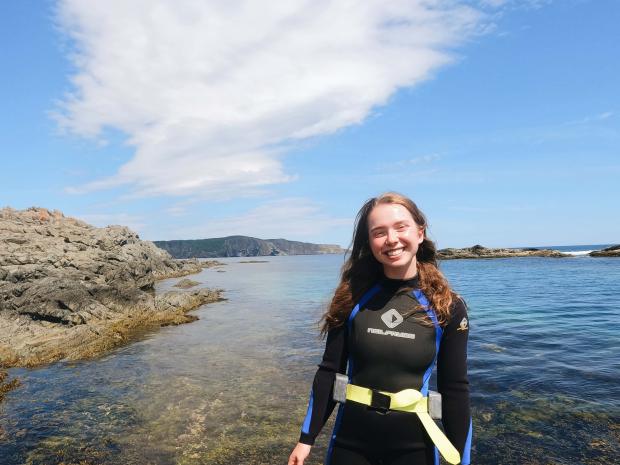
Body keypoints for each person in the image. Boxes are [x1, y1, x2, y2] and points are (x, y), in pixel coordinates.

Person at [288, 192, 472, 465]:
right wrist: (306, 439)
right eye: (379, 232)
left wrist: (463, 459)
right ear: (370, 242)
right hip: (350, 445)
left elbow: (455, 388)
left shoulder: (447, 307)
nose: (392, 239)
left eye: (401, 227)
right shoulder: (352, 298)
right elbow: (329, 371)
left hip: (415, 447)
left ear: (420, 233)